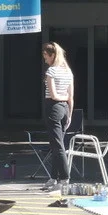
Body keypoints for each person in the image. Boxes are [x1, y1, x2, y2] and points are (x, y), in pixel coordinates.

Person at [42, 41, 75, 191]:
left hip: (53, 107)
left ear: (52, 55)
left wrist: (60, 98)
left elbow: (53, 95)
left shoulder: (51, 72)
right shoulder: (68, 72)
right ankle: (54, 177)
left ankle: (64, 177)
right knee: (57, 144)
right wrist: (70, 114)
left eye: (46, 56)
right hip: (65, 108)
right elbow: (71, 96)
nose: (45, 59)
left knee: (57, 145)